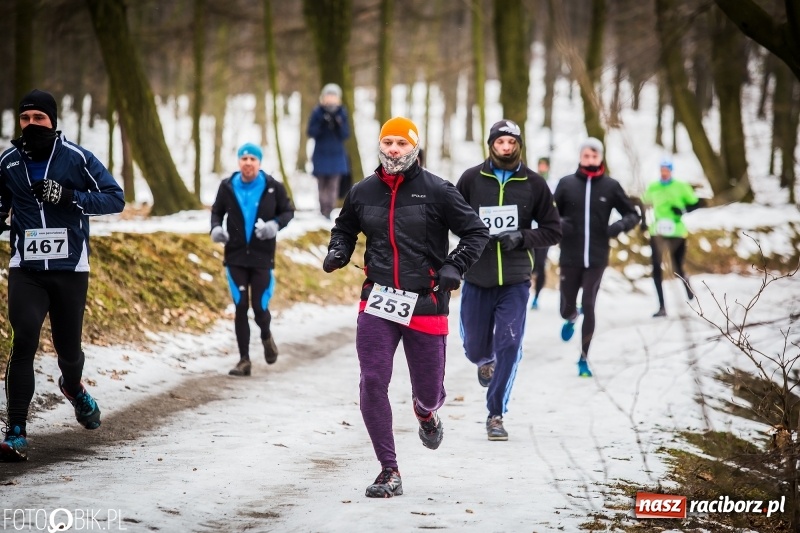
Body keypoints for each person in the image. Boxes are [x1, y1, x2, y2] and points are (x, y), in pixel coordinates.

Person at [323, 117, 489, 498]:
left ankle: (425, 411)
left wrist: (453, 265)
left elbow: (476, 231)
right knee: (373, 380)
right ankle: (389, 470)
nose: (393, 149)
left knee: (429, 390)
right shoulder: (363, 191)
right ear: (379, 146)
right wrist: (339, 250)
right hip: (378, 299)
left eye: (401, 143)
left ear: (414, 147)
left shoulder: (438, 191)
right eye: (388, 142)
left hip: (425, 301)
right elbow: (345, 228)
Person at [0, 89, 125, 461]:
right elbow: (2, 204)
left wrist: (68, 196)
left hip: (71, 268)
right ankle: (16, 432)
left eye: (39, 118)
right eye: (26, 119)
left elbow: (114, 198)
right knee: (23, 340)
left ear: (53, 121)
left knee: (69, 353)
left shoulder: (76, 158)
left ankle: (73, 386)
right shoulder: (8, 162)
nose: (32, 124)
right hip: (27, 268)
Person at [456, 120, 561, 441]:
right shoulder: (472, 179)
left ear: (519, 146)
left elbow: (554, 229)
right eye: (500, 142)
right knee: (475, 348)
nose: (505, 147)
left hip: (515, 278)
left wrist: (522, 237)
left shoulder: (534, 183)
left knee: (510, 345)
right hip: (476, 275)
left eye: (511, 143)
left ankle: (495, 414)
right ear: (491, 145)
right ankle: (483, 361)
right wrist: (473, 237)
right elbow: (451, 218)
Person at [554, 137, 639, 378]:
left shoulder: (611, 186)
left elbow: (633, 214)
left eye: (594, 156)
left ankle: (583, 358)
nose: (590, 160)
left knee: (589, 303)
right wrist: (561, 225)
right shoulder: (566, 184)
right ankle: (570, 317)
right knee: (566, 307)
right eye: (586, 156)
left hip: (597, 256)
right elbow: (548, 215)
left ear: (601, 158)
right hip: (570, 256)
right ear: (580, 157)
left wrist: (619, 226)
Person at [210, 143, 294, 377]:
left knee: (259, 307)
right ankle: (244, 360)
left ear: (259, 162)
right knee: (240, 307)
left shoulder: (272, 187)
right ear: (239, 161)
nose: (248, 162)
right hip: (235, 255)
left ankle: (266, 335)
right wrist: (216, 229)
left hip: (261, 256)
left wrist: (274, 225)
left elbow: (288, 211)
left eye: (252, 159)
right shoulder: (227, 186)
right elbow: (217, 211)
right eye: (244, 158)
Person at [641, 158, 702, 317]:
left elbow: (696, 203)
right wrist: (643, 222)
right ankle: (662, 306)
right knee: (656, 268)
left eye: (667, 169)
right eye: (662, 169)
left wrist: (682, 210)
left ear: (671, 171)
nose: (664, 172)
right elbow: (644, 204)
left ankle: (687, 286)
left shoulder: (681, 186)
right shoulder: (653, 187)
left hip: (676, 231)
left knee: (677, 267)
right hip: (658, 231)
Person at [307, 83, 350, 219]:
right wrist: (321, 122)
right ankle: (322, 210)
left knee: (333, 186)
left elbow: (345, 134)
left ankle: (329, 211)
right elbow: (311, 132)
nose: (330, 99)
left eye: (333, 96)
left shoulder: (342, 113)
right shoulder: (317, 112)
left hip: (337, 155)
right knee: (322, 185)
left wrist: (338, 123)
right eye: (328, 95)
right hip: (321, 154)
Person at [531, 156, 553, 310]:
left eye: (545, 165)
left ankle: (537, 297)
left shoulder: (553, 184)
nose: (542, 168)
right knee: (528, 265)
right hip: (529, 231)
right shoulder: (530, 181)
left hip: (544, 232)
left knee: (540, 264)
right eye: (541, 165)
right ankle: (524, 293)